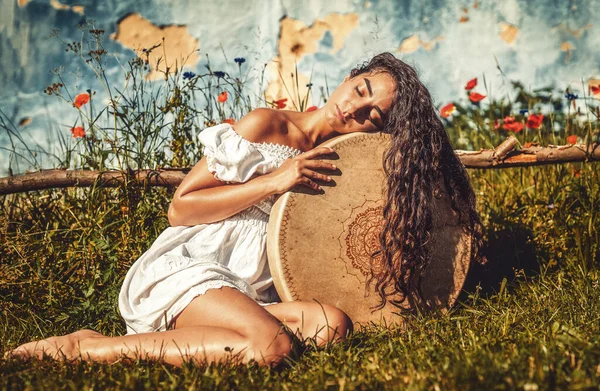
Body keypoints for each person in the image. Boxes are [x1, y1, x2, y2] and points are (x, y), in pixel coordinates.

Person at [8, 52, 484, 367]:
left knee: (331, 326)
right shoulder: (267, 125)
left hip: (251, 289)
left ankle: (240, 328)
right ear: (347, 78)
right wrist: (277, 180)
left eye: (374, 114)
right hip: (194, 269)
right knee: (272, 348)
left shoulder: (354, 163)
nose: (356, 110)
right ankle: (89, 348)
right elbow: (180, 208)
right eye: (361, 89)